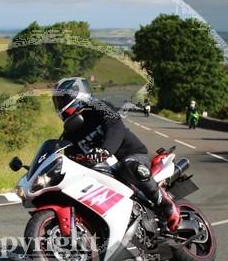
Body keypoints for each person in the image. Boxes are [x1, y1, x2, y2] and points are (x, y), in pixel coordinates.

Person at [52, 77, 180, 230]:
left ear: (78, 95)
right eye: (57, 101)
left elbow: (115, 127)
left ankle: (165, 203)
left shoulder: (100, 107)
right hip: (104, 171)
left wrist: (105, 150)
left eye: (62, 100)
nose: (59, 105)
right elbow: (68, 157)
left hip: (131, 155)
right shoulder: (70, 134)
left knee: (129, 166)